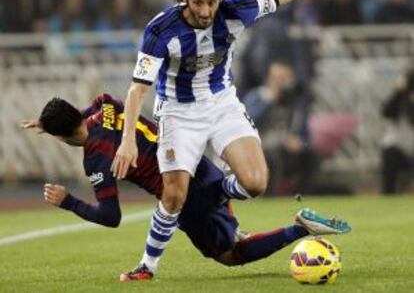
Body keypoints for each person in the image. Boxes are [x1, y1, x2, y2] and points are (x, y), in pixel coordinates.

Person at [111, 0, 364, 278]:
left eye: (212, 1)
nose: (205, 10)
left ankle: (211, 195)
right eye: (198, 1)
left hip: (222, 103)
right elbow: (137, 89)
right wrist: (128, 138)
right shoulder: (160, 30)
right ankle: (147, 266)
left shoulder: (236, 8)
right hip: (177, 112)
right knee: (173, 196)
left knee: (256, 183)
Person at [22, 93, 351, 281]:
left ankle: (298, 229)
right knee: (229, 222)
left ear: (61, 136)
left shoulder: (96, 159)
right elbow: (100, 105)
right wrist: (52, 121)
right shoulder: (103, 108)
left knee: (228, 255)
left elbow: (111, 216)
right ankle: (230, 187)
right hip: (195, 161)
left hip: (181, 195)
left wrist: (68, 203)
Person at [243, 61, 315, 195]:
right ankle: (268, 197)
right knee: (271, 157)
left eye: (285, 78)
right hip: (261, 147)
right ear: (268, 79)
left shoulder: (295, 101)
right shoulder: (258, 96)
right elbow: (249, 121)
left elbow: (303, 132)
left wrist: (300, 142)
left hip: (284, 147)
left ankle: (301, 195)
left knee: (311, 155)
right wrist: (270, 100)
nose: (282, 83)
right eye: (277, 79)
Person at [381, 67, 414, 194]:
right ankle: (388, 193)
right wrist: (399, 91)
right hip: (399, 148)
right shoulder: (399, 99)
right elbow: (387, 112)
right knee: (389, 153)